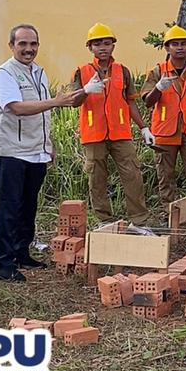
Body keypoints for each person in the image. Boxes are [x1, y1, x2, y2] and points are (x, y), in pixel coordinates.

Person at [0, 24, 83, 282]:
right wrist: (57, 101)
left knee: (28, 206)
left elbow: (43, 114)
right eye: (22, 44)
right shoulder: (4, 74)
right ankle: (3, 263)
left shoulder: (38, 73)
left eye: (33, 44)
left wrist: (48, 144)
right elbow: (16, 108)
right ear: (11, 46)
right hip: (12, 152)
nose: (29, 49)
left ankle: (22, 253)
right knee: (9, 208)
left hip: (36, 152)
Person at [70, 23, 149, 226]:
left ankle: (139, 221)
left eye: (107, 43)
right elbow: (73, 102)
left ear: (113, 46)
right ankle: (105, 220)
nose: (102, 48)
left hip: (121, 133)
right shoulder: (81, 72)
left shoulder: (123, 71)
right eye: (97, 44)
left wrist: (143, 127)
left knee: (133, 174)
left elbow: (130, 100)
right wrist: (85, 90)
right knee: (97, 179)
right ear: (90, 47)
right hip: (93, 134)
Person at [142, 25, 186, 206]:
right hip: (164, 132)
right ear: (167, 48)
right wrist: (159, 87)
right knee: (165, 177)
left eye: (184, 44)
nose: (180, 48)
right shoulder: (158, 71)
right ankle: (168, 213)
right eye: (175, 44)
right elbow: (147, 101)